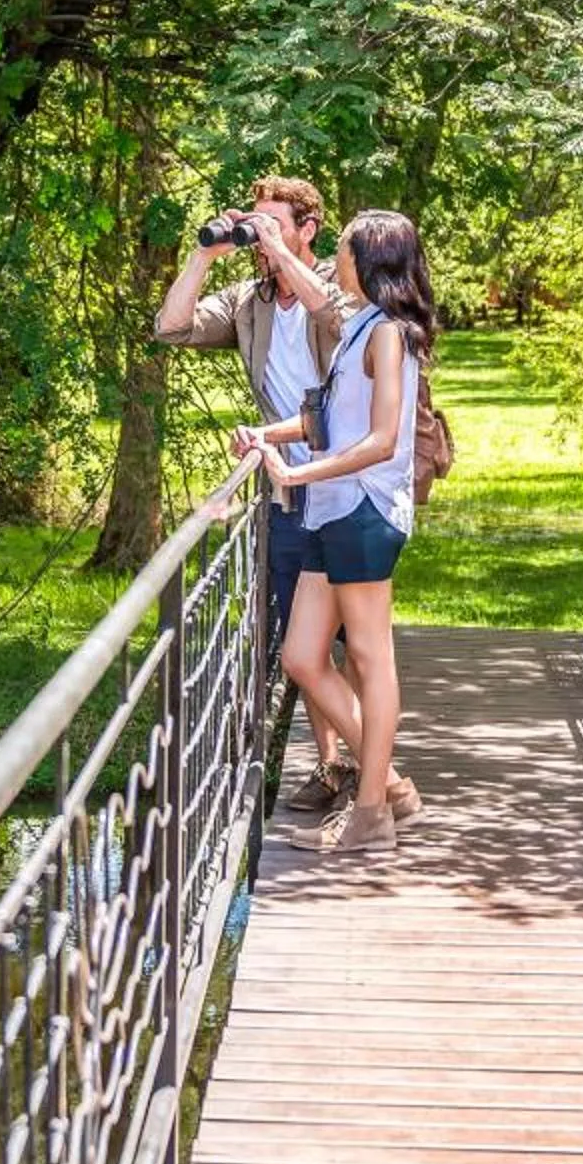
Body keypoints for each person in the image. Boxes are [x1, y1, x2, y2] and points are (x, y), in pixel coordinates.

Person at [152, 175, 360, 808]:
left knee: (357, 643)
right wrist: (205, 254)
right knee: (307, 639)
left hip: (349, 484)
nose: (262, 241)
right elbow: (171, 327)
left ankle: (372, 765)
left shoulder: (339, 284)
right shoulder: (250, 303)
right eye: (256, 227)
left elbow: (334, 317)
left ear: (308, 229)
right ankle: (333, 768)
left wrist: (286, 256)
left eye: (275, 226)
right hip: (286, 493)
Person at [239, 209, 437, 857]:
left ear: (369, 261)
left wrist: (299, 476)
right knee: (301, 656)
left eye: (346, 249)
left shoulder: (390, 336)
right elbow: (327, 416)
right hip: (330, 507)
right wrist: (268, 438)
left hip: (362, 511)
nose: (338, 258)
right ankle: (392, 789)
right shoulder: (359, 328)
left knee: (370, 658)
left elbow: (381, 441)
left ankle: (372, 812)